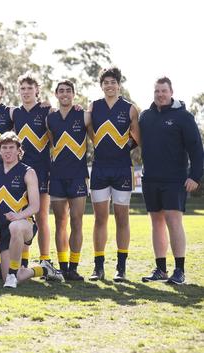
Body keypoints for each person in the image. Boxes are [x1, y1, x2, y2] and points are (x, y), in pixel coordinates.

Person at [139, 77, 203, 285]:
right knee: (156, 223)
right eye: (157, 91)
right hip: (150, 179)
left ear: (171, 91)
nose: (160, 94)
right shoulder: (145, 117)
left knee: (173, 221)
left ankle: (180, 271)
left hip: (175, 180)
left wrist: (195, 176)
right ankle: (160, 269)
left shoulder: (183, 117)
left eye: (163, 91)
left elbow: (196, 149)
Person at [0, 132, 64, 288]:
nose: (8, 151)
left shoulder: (28, 172)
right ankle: (43, 269)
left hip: (25, 225)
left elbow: (35, 206)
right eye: (4, 148)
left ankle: (11, 274)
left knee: (15, 227)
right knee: (16, 276)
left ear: (18, 150)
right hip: (3, 230)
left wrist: (18, 216)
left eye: (11, 147)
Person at [87, 67, 140, 282]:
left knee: (122, 218)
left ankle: (121, 268)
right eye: (105, 82)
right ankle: (98, 267)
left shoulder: (130, 109)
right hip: (99, 168)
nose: (109, 85)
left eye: (113, 82)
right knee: (100, 219)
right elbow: (87, 129)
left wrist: (122, 148)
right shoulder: (94, 107)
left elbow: (137, 137)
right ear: (101, 86)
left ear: (119, 85)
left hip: (121, 169)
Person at [10, 74, 57, 272]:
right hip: (20, 172)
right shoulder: (14, 113)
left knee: (42, 216)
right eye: (23, 89)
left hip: (42, 170)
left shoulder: (46, 111)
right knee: (22, 216)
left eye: (30, 88)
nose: (26, 92)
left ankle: (45, 259)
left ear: (37, 90)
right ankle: (23, 260)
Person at [47, 80, 89, 281]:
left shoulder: (84, 115)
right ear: (56, 94)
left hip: (78, 176)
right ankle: (62, 266)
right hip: (56, 176)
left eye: (68, 91)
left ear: (74, 94)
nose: (64, 94)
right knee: (60, 222)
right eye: (61, 91)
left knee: (77, 221)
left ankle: (73, 266)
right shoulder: (50, 118)